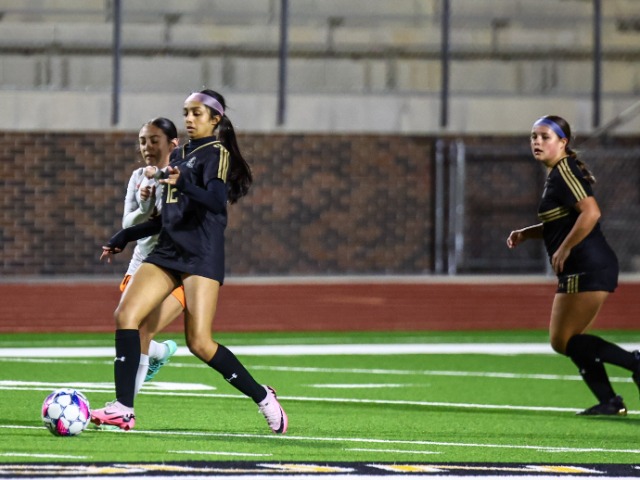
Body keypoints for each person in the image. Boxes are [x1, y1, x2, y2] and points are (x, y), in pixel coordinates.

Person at [91, 89, 288, 434]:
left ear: (215, 119)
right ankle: (123, 409)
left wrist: (184, 183)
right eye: (186, 113)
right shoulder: (179, 155)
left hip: (201, 254)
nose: (189, 119)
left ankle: (262, 396)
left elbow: (215, 200)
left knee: (199, 343)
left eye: (197, 113)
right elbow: (167, 216)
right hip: (168, 250)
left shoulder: (216, 153)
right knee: (126, 315)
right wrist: (125, 236)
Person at [506, 114, 640, 416]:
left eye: (545, 137)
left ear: (563, 142)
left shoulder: (564, 171)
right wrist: (527, 233)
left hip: (587, 264)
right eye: (534, 136)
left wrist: (565, 247)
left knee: (564, 340)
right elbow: (562, 223)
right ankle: (610, 401)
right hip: (587, 265)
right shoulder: (557, 173)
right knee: (571, 341)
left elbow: (591, 212)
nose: (537, 142)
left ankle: (635, 364)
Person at [122, 118, 183, 394]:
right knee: (127, 326)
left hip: (177, 266)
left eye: (154, 140)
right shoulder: (138, 176)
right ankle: (160, 352)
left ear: (173, 143)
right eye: (142, 141)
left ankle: (124, 406)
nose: (147, 146)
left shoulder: (180, 176)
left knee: (141, 330)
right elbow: (128, 224)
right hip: (141, 262)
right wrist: (145, 207)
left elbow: (172, 223)